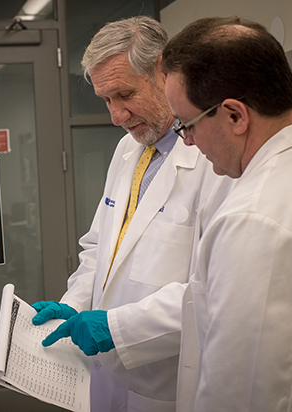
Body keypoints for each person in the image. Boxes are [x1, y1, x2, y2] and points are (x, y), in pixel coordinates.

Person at [31, 16, 233, 412]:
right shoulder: (128, 151)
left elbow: (215, 288)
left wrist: (118, 328)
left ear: (164, 71)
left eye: (124, 94)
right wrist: (75, 303)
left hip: (166, 383)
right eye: (106, 100)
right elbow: (99, 248)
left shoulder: (215, 161)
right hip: (106, 374)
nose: (116, 116)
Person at [162, 16, 292, 412]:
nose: (188, 142)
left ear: (235, 115)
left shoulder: (254, 218)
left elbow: (242, 395)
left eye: (187, 125)